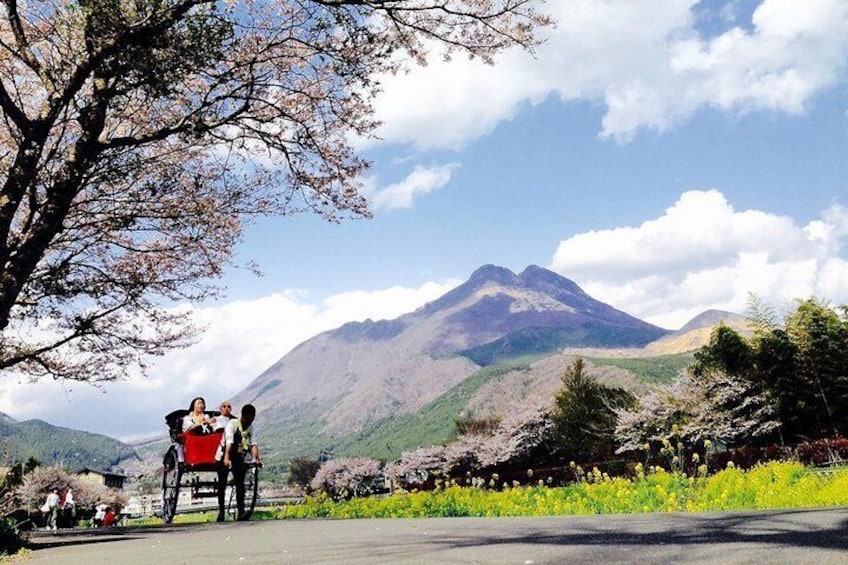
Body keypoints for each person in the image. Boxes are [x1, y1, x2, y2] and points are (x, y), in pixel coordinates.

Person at [216, 403, 261, 522]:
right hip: (224, 453)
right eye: (249, 418)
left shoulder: (250, 427)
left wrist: (256, 459)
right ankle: (221, 512)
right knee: (222, 483)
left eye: (253, 418)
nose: (251, 420)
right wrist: (226, 459)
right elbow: (229, 442)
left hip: (238, 456)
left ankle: (241, 512)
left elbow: (254, 444)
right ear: (243, 416)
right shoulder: (233, 424)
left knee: (240, 484)